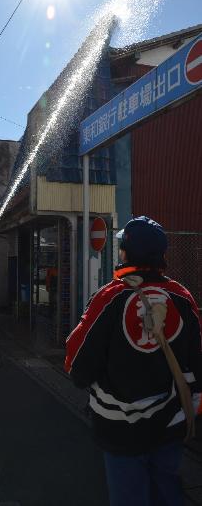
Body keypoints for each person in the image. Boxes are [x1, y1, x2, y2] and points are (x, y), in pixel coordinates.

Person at [65, 216, 202, 506]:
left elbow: (77, 366)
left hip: (120, 431)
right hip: (172, 426)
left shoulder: (109, 298)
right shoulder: (182, 297)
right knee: (167, 490)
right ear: (161, 255)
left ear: (125, 253)